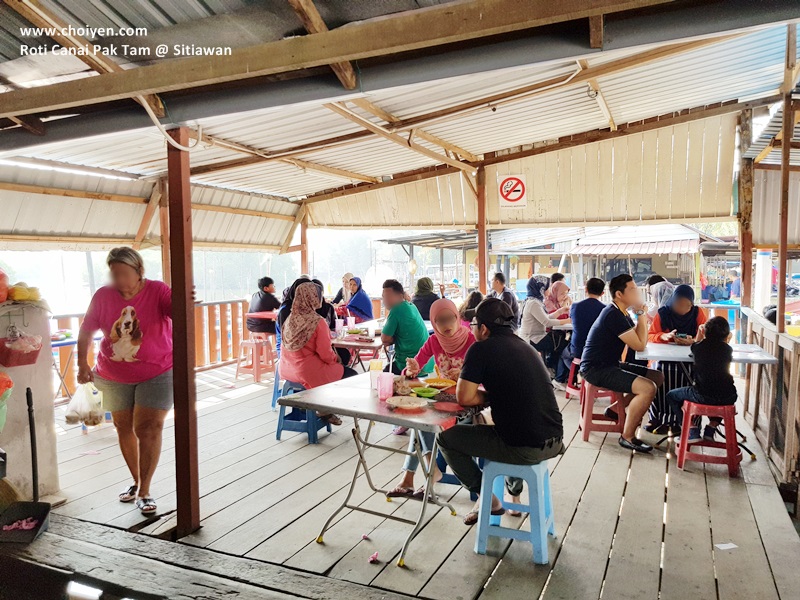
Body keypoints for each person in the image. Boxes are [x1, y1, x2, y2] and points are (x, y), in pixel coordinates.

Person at [437, 299, 564, 525]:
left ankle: (487, 497)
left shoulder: (481, 349)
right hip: (554, 439)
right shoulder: (526, 347)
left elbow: (464, 397)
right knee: (498, 426)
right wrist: (495, 395)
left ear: (484, 328)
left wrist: (489, 396)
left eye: (474, 324)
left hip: (525, 447)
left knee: (447, 439)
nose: (472, 329)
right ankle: (510, 492)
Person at [77, 247, 173, 515]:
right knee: (123, 427)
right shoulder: (103, 296)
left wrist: (185, 300)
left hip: (158, 370)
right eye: (114, 273)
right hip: (112, 373)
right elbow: (86, 330)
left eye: (124, 273)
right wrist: (82, 363)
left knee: (149, 428)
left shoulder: (158, 290)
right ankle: (136, 480)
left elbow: (179, 312)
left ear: (139, 271)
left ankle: (145, 491)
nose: (119, 279)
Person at [386, 299, 476, 499]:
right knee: (420, 418)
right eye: (440, 320)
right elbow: (413, 368)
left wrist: (465, 375)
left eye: (450, 318)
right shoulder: (434, 341)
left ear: (457, 317)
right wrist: (411, 369)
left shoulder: (471, 340)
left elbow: (484, 379)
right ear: (434, 323)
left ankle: (418, 474)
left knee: (422, 421)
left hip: (467, 403)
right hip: (442, 399)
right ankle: (419, 474)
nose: (446, 324)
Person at [580, 274, 665, 453]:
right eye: (632, 289)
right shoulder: (613, 314)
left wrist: (640, 314)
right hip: (596, 369)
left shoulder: (622, 312)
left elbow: (640, 340)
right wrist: (641, 313)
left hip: (610, 364)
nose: (637, 293)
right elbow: (639, 345)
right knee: (647, 388)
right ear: (619, 294)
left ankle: (613, 410)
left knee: (657, 376)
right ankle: (628, 436)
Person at [280, 282, 358, 426]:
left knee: (339, 366)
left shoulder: (289, 319)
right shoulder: (317, 322)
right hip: (306, 371)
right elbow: (326, 354)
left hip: (286, 368)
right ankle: (324, 408)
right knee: (351, 375)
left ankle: (320, 407)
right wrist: (336, 359)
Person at [646, 284, 707, 433]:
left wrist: (693, 341)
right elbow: (650, 335)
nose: (679, 308)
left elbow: (706, 335)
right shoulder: (663, 313)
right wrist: (663, 336)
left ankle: (687, 421)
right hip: (663, 359)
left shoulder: (698, 314)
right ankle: (658, 418)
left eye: (684, 305)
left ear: (691, 305)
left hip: (691, 361)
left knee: (694, 377)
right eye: (676, 303)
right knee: (659, 374)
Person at [665, 316, 737, 443]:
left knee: (671, 395)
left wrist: (700, 333)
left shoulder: (698, 348)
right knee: (723, 401)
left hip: (702, 395)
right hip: (729, 395)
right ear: (727, 335)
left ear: (704, 332)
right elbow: (722, 346)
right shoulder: (728, 350)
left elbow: (695, 345)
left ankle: (691, 429)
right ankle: (711, 428)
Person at [519, 276, 570, 388]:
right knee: (563, 345)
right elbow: (546, 322)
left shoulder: (535, 301)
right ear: (541, 288)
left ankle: (553, 370)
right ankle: (558, 378)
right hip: (532, 338)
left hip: (537, 336)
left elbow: (546, 317)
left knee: (560, 341)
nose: (549, 290)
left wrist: (560, 311)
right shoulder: (533, 303)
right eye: (548, 287)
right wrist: (567, 321)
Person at [559, 277, 606, 386]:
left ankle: (579, 374)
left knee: (564, 355)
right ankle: (584, 374)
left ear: (586, 289)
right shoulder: (605, 309)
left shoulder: (575, 306)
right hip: (598, 351)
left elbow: (572, 320)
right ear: (602, 293)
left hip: (578, 349)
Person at [381, 279, 430, 375]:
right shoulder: (411, 305)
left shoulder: (396, 310)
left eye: (388, 296)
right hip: (428, 363)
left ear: (400, 296)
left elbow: (384, 339)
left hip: (412, 365)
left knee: (385, 376)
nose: (385, 301)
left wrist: (394, 338)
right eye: (384, 297)